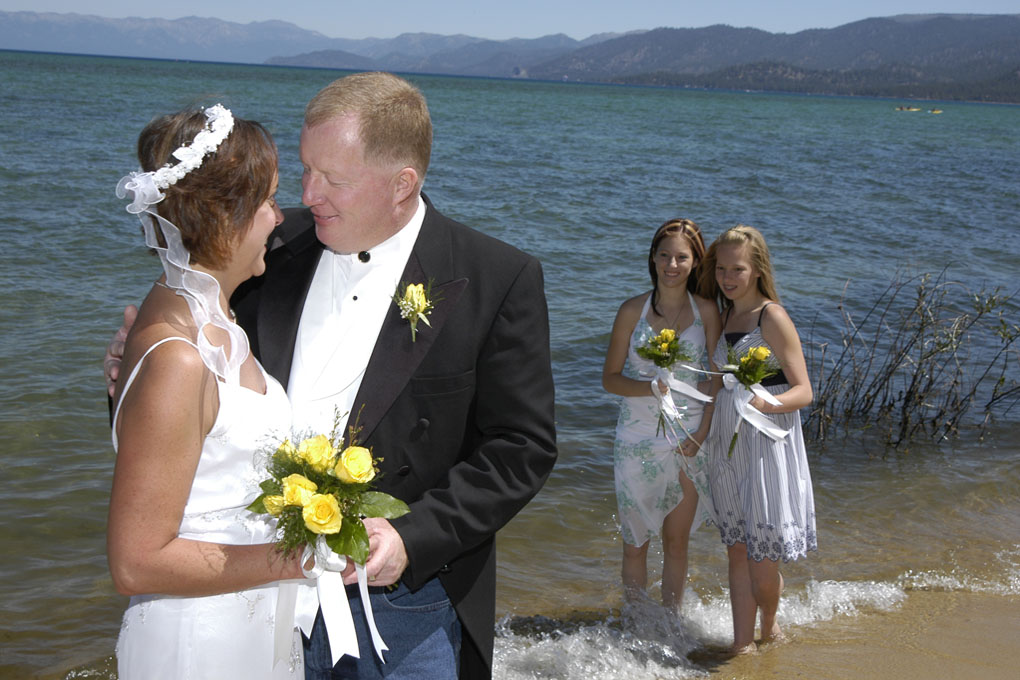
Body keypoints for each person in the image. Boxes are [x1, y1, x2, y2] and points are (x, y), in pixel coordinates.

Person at [107, 72, 557, 679]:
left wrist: (412, 538)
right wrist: (130, 376)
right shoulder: (265, 242)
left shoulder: (495, 277)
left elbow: (521, 447)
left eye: (334, 180)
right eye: (304, 169)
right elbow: (186, 396)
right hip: (253, 599)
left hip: (402, 609)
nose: (308, 195)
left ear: (403, 185)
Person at [107, 105, 307, 678]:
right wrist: (297, 557)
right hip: (199, 645)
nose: (278, 217)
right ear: (225, 217)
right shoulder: (178, 355)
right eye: (268, 200)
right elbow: (137, 562)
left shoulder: (213, 320)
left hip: (247, 625)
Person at [698, 225, 817, 654]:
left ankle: (771, 621)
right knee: (736, 549)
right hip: (725, 445)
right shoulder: (723, 314)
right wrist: (698, 433)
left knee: (761, 560)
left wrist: (768, 404)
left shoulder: (773, 317)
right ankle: (740, 643)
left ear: (758, 269)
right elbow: (715, 385)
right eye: (722, 269)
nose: (728, 278)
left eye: (738, 269)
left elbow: (804, 389)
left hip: (766, 441)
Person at [601, 218, 721, 611]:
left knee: (677, 542)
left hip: (687, 439)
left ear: (695, 263)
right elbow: (611, 379)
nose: (672, 264)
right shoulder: (631, 311)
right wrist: (649, 388)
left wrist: (701, 435)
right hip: (636, 439)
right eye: (665, 255)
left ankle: (671, 625)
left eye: (681, 257)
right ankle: (635, 622)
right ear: (652, 258)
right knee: (635, 542)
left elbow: (717, 380)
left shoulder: (707, 311)